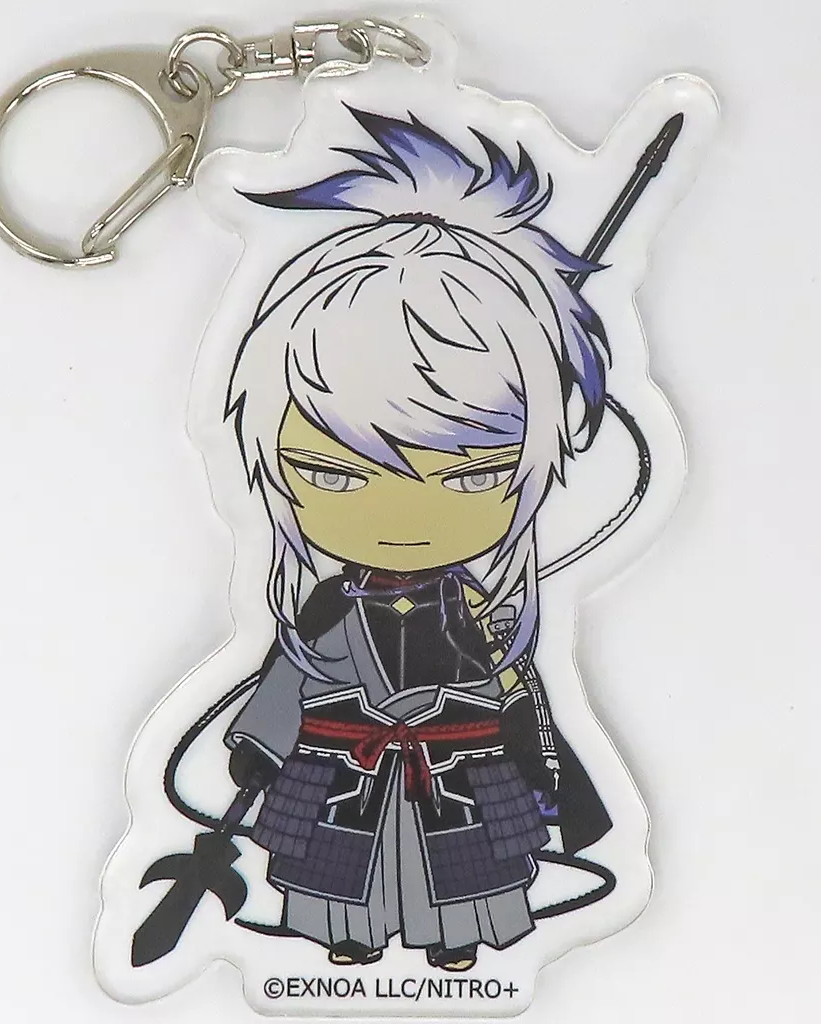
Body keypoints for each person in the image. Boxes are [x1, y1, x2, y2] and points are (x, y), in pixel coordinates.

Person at [221, 108, 613, 971]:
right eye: (336, 474)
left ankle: (454, 943)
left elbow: (514, 687)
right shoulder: (329, 607)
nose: (402, 516)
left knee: (464, 868)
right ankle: (349, 937)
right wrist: (257, 748)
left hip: (459, 768)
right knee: (337, 869)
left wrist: (539, 753)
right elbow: (290, 675)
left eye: (470, 476)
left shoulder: (479, 609)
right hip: (341, 767)